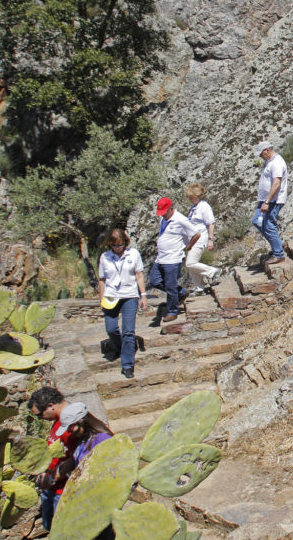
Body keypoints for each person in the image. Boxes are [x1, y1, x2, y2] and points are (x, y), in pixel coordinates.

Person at [59, 402, 115, 540]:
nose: (69, 432)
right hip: (89, 501)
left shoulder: (102, 440)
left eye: (70, 428)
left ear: (81, 422)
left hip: (101, 501)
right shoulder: (84, 440)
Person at [97, 228, 148, 379]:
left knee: (128, 331)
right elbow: (102, 280)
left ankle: (127, 365)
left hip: (129, 295)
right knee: (111, 328)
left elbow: (139, 275)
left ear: (125, 242)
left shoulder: (133, 254)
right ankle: (120, 347)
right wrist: (101, 299)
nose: (118, 248)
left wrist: (143, 296)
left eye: (120, 245)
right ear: (110, 245)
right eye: (115, 246)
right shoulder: (105, 257)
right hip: (111, 296)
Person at [28, 387, 79, 532]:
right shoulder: (59, 420)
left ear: (50, 406)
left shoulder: (72, 424)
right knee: (49, 527)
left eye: (40, 415)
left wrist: (52, 478)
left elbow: (76, 458)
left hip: (63, 491)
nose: (41, 419)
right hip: (51, 486)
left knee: (62, 531)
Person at [154, 197, 201, 324]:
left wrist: (189, 247)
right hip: (160, 258)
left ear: (171, 209)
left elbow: (196, 234)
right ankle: (181, 291)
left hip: (173, 258)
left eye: (164, 212)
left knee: (170, 286)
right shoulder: (163, 219)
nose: (163, 214)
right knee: (155, 280)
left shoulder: (180, 220)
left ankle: (172, 312)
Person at [253, 141, 288, 265]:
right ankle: (279, 244)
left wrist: (267, 201)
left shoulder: (277, 163)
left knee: (269, 225)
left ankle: (278, 254)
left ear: (267, 150)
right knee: (256, 221)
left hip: (273, 200)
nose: (260, 157)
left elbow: (276, 183)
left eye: (261, 153)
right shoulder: (270, 162)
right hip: (266, 199)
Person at [184, 183, 221, 295]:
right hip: (193, 239)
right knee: (191, 265)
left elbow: (211, 223)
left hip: (200, 238)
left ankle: (212, 271)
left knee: (190, 263)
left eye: (192, 197)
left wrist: (210, 239)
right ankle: (200, 287)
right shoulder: (194, 207)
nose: (190, 199)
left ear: (197, 196)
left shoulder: (204, 207)